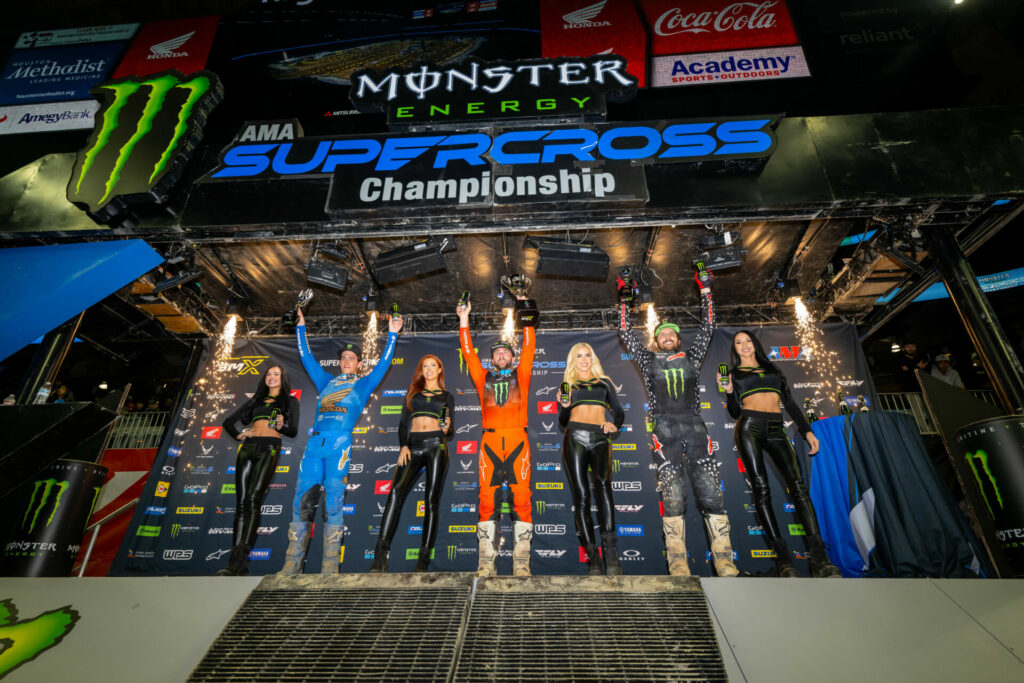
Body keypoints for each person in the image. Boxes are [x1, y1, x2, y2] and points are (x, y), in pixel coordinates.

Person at [618, 270, 739, 577]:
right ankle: (677, 563)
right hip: (663, 431)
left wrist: (706, 290)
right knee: (672, 496)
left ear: (679, 339)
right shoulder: (647, 362)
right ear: (656, 342)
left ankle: (724, 560)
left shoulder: (693, 356)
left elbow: (709, 327)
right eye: (662, 335)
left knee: (711, 492)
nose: (667, 337)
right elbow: (625, 332)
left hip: (695, 428)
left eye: (672, 333)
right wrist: (623, 300)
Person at [279, 307, 403, 575]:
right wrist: (300, 327)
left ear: (359, 363)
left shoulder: (363, 384)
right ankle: (291, 564)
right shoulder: (325, 381)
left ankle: (329, 567)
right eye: (343, 358)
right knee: (301, 501)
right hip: (314, 447)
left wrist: (392, 334)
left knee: (333, 503)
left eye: (352, 358)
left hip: (340, 448)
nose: (347, 361)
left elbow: (383, 365)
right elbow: (307, 358)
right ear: (339, 362)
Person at [721, 330, 841, 578]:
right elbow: (734, 412)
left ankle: (820, 559)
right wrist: (729, 390)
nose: (744, 345)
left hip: (777, 428)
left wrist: (807, 432)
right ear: (735, 349)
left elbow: (790, 403)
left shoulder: (773, 369)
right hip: (749, 427)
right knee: (761, 490)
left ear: (755, 344)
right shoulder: (732, 374)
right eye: (738, 342)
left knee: (798, 488)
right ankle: (784, 561)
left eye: (747, 340)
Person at [457, 297, 536, 576]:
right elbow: (467, 353)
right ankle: (485, 564)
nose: (501, 355)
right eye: (497, 353)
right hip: (489, 441)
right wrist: (464, 320)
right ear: (492, 359)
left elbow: (529, 347)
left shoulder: (521, 375)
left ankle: (522, 565)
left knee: (522, 499)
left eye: (505, 352)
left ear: (511, 358)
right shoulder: (483, 378)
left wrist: (526, 315)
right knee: (487, 500)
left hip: (517, 440)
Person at [369, 355, 454, 573]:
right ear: (421, 370)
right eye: (424, 366)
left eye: (433, 365)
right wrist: (403, 446)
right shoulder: (413, 393)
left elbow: (450, 429)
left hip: (437, 446)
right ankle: (379, 558)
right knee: (395, 493)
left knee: (431, 501)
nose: (428, 369)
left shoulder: (447, 396)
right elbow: (403, 423)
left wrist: (446, 428)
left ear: (440, 369)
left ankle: (422, 561)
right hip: (413, 447)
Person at [219, 365, 299, 575]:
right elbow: (227, 422)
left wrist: (281, 426)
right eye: (268, 374)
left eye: (276, 374)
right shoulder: (255, 400)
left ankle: (240, 560)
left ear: (283, 379)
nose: (271, 377)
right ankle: (233, 562)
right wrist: (239, 435)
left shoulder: (290, 401)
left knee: (254, 499)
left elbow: (293, 431)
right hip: (247, 449)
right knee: (241, 502)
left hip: (269, 449)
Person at [558, 343, 625, 575]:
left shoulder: (604, 382)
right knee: (582, 496)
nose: (584, 359)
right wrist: (565, 406)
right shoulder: (567, 384)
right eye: (579, 356)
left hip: (600, 438)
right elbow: (564, 419)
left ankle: (611, 555)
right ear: (572, 360)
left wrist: (614, 423)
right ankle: (593, 559)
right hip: (574, 437)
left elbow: (619, 411)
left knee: (604, 487)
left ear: (593, 358)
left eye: (588, 355)